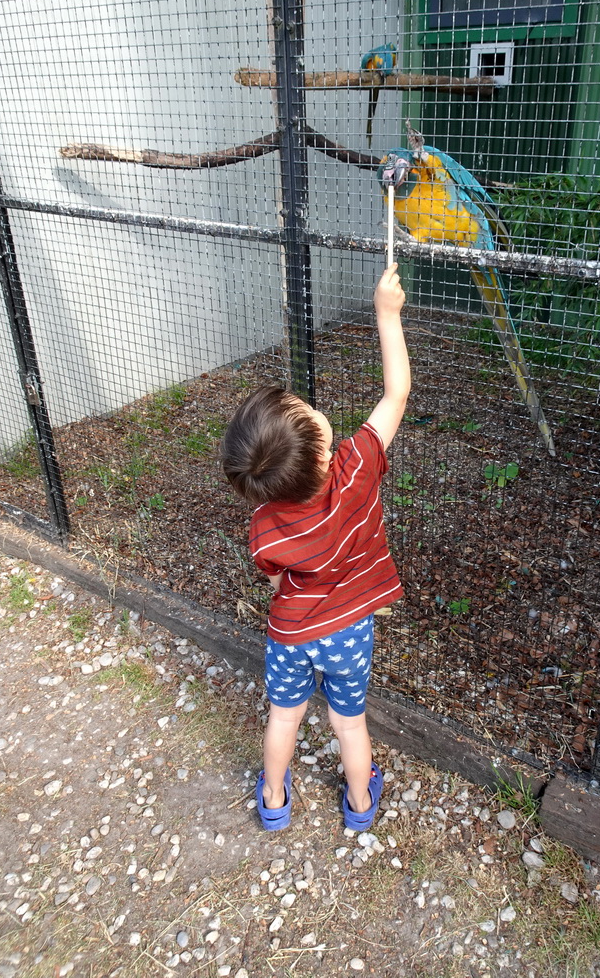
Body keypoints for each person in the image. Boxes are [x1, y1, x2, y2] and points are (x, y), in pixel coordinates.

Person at [219, 263, 410, 831]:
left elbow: (278, 580)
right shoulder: (356, 471)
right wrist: (386, 312)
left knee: (284, 717)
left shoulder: (266, 523)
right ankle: (358, 804)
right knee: (350, 724)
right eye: (304, 409)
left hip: (291, 633)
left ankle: (274, 800)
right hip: (349, 630)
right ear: (323, 447)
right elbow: (397, 392)